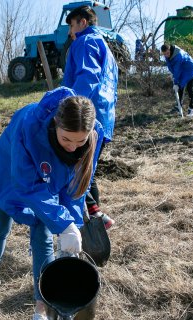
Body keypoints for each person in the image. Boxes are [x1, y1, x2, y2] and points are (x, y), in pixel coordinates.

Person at [0, 88, 102, 320]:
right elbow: (27, 187)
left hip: (51, 184)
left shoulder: (91, 136)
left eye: (80, 141)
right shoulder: (29, 127)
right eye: (66, 140)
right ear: (55, 125)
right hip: (11, 176)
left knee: (43, 237)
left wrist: (70, 223)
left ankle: (41, 311)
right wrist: (61, 222)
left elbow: (76, 188)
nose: (73, 146)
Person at [63, 5, 118, 230]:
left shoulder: (85, 42)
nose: (70, 32)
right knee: (86, 170)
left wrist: (66, 107)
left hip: (84, 117)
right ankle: (96, 217)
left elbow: (88, 77)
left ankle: (86, 223)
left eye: (72, 25)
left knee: (75, 171)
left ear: (83, 22)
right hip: (103, 117)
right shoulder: (105, 46)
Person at [161, 44, 193, 118]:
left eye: (167, 53)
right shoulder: (167, 55)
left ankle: (191, 109)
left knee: (190, 89)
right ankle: (179, 106)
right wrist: (173, 75)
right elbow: (171, 66)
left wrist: (175, 82)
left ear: (170, 50)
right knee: (180, 87)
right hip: (183, 70)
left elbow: (177, 70)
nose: (166, 55)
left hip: (191, 69)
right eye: (164, 54)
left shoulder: (178, 55)